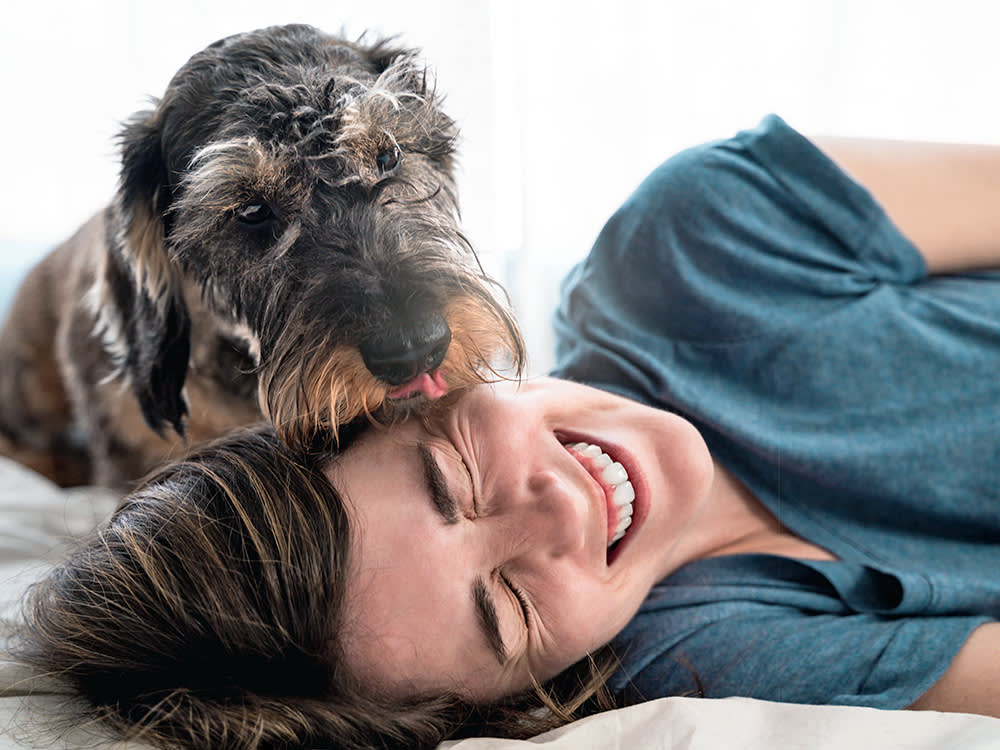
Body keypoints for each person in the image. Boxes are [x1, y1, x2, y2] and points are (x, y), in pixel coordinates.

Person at [12, 114, 1000, 750]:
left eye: (452, 477)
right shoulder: (704, 658)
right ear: (530, 688)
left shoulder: (701, 237)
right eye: (509, 607)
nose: (553, 513)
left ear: (416, 392)